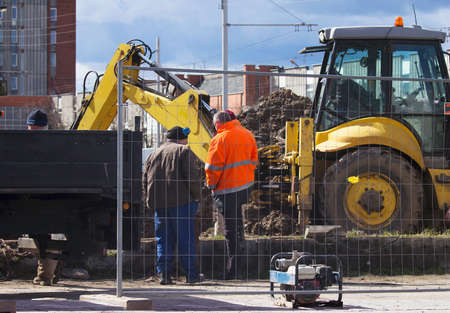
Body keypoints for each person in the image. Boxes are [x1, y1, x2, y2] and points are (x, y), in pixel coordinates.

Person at [143, 126, 201, 285]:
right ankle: (191, 276)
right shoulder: (183, 151)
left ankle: (164, 275)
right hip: (182, 203)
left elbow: (145, 179)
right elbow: (192, 178)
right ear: (181, 138)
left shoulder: (154, 154)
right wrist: (197, 198)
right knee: (185, 239)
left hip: (160, 204)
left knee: (163, 240)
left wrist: (149, 200)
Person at [205, 111, 258, 280]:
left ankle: (233, 270)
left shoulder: (219, 139)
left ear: (218, 123)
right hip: (244, 187)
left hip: (227, 190)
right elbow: (253, 160)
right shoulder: (247, 134)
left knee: (230, 231)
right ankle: (239, 267)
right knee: (238, 228)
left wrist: (211, 185)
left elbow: (212, 168)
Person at [26, 109, 59, 286]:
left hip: (30, 197)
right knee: (46, 237)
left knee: (43, 237)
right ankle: (46, 275)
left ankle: (46, 275)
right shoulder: (57, 143)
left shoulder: (20, 144)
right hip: (51, 197)